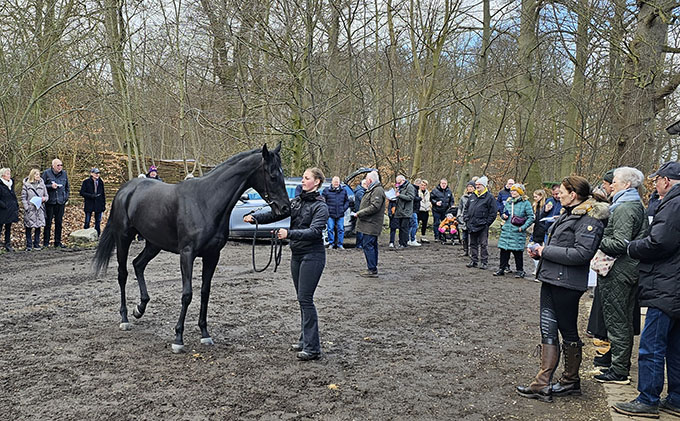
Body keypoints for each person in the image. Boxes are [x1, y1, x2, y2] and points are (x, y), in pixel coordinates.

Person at [516, 176, 607, 402]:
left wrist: (544, 252)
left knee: (568, 331)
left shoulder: (590, 219)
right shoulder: (569, 212)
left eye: (563, 191)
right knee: (547, 329)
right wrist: (540, 251)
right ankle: (542, 382)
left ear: (573, 194)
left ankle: (570, 380)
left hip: (567, 283)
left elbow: (582, 254)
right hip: (551, 278)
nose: (559, 194)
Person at [613, 161, 680, 418]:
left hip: (665, 284)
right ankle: (675, 398)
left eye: (657, 179)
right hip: (673, 285)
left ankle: (648, 399)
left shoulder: (674, 203)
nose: (655, 184)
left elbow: (660, 241)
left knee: (652, 345)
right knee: (675, 346)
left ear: (667, 180)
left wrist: (632, 247)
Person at [244, 167, 329, 361]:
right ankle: (304, 339)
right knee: (302, 299)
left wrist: (288, 234)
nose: (303, 181)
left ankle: (313, 348)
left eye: (306, 178)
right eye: (303, 177)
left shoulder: (320, 206)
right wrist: (255, 218)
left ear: (316, 182)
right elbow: (276, 214)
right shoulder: (298, 201)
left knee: (305, 299)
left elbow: (315, 232)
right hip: (297, 255)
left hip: (313, 255)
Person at [592, 167, 648, 385]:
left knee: (618, 320)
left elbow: (620, 243)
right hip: (625, 269)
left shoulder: (625, 207)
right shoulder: (630, 204)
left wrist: (596, 235)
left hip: (620, 270)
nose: (611, 184)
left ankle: (619, 370)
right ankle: (618, 365)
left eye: (614, 181)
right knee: (620, 319)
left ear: (626, 184)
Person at [494, 183, 535, 278]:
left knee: (517, 252)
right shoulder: (508, 202)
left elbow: (531, 217)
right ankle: (501, 268)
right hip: (507, 230)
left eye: (515, 190)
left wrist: (523, 227)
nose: (512, 192)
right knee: (504, 250)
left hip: (517, 231)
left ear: (520, 192)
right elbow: (504, 213)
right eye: (512, 190)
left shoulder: (526, 203)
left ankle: (520, 270)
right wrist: (504, 216)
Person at [352, 171, 386, 277]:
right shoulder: (373, 190)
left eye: (366, 179)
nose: (365, 181)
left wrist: (359, 213)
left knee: (368, 245)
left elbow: (374, 207)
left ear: (370, 180)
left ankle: (372, 269)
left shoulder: (377, 191)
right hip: (369, 224)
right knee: (371, 245)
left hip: (371, 224)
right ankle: (372, 267)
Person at [464, 176, 496, 269]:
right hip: (472, 224)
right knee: (472, 244)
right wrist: (466, 218)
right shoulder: (472, 196)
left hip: (483, 225)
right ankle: (473, 260)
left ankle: (484, 262)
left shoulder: (489, 197)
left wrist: (487, 223)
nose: (477, 186)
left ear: (484, 186)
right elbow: (466, 208)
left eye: (479, 185)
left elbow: (493, 212)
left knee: (483, 244)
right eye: (476, 184)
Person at [41, 158, 69, 248]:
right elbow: (41, 186)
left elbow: (67, 187)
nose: (60, 167)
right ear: (53, 166)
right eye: (58, 165)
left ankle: (57, 242)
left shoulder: (64, 174)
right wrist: (50, 186)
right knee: (48, 223)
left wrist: (65, 197)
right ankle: (46, 242)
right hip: (50, 202)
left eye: (61, 165)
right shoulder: (46, 173)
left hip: (60, 202)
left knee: (59, 223)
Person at [21, 169, 48, 251]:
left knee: (38, 227)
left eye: (39, 175)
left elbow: (46, 196)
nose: (38, 176)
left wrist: (44, 199)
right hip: (30, 209)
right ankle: (29, 245)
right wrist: (27, 207)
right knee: (28, 227)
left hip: (39, 208)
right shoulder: (26, 185)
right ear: (32, 175)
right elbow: (23, 198)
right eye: (36, 175)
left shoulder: (42, 185)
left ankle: (36, 244)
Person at [322, 176, 349, 249]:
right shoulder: (326, 191)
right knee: (330, 229)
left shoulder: (344, 191)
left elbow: (347, 201)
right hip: (330, 214)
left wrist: (343, 209)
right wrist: (327, 209)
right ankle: (331, 243)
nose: (336, 184)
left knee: (341, 229)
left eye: (337, 182)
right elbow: (323, 202)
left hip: (340, 214)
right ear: (332, 182)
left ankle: (340, 244)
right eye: (335, 182)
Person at [79, 168, 106, 235]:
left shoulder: (100, 182)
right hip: (89, 203)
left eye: (98, 173)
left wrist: (103, 205)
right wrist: (91, 196)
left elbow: (103, 194)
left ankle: (97, 234)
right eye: (95, 173)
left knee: (98, 221)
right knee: (87, 221)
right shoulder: (86, 182)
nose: (97, 175)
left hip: (98, 204)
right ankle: (85, 234)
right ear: (91, 174)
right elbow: (82, 192)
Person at [394, 175, 416, 249]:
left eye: (399, 182)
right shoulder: (400, 187)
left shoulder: (409, 187)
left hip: (406, 211)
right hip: (399, 210)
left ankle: (404, 243)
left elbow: (411, 197)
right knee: (400, 228)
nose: (398, 184)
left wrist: (400, 195)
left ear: (403, 180)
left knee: (404, 228)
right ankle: (401, 243)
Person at [529, 189, 548, 276]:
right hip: (536, 230)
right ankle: (537, 268)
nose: (535, 198)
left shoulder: (545, 206)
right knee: (533, 249)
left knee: (541, 250)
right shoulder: (536, 206)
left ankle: (540, 268)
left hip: (543, 230)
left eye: (536, 197)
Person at [0, 168, 19, 252]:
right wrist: (3, 205)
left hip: (11, 209)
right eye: (7, 174)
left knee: (8, 227)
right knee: (0, 227)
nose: (9, 175)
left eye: (9, 173)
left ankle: (8, 244)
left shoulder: (11, 184)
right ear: (3, 175)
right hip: (2, 209)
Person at [457, 181, 475, 257]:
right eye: (468, 187)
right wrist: (459, 216)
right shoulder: (463, 197)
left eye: (471, 187)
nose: (470, 188)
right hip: (464, 219)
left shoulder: (475, 197)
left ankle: (472, 251)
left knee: (472, 237)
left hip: (472, 219)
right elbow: (460, 207)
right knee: (464, 236)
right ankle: (465, 250)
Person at [353, 179, 368, 249]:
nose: (367, 185)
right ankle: (359, 244)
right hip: (360, 213)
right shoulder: (360, 192)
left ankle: (360, 244)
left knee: (362, 229)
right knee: (360, 230)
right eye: (365, 184)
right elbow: (365, 201)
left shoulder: (362, 191)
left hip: (361, 212)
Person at [408, 178, 422, 247]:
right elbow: (413, 198)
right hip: (413, 210)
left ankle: (409, 239)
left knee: (411, 225)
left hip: (412, 210)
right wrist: (419, 198)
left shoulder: (413, 189)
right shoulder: (414, 189)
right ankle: (412, 239)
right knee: (415, 225)